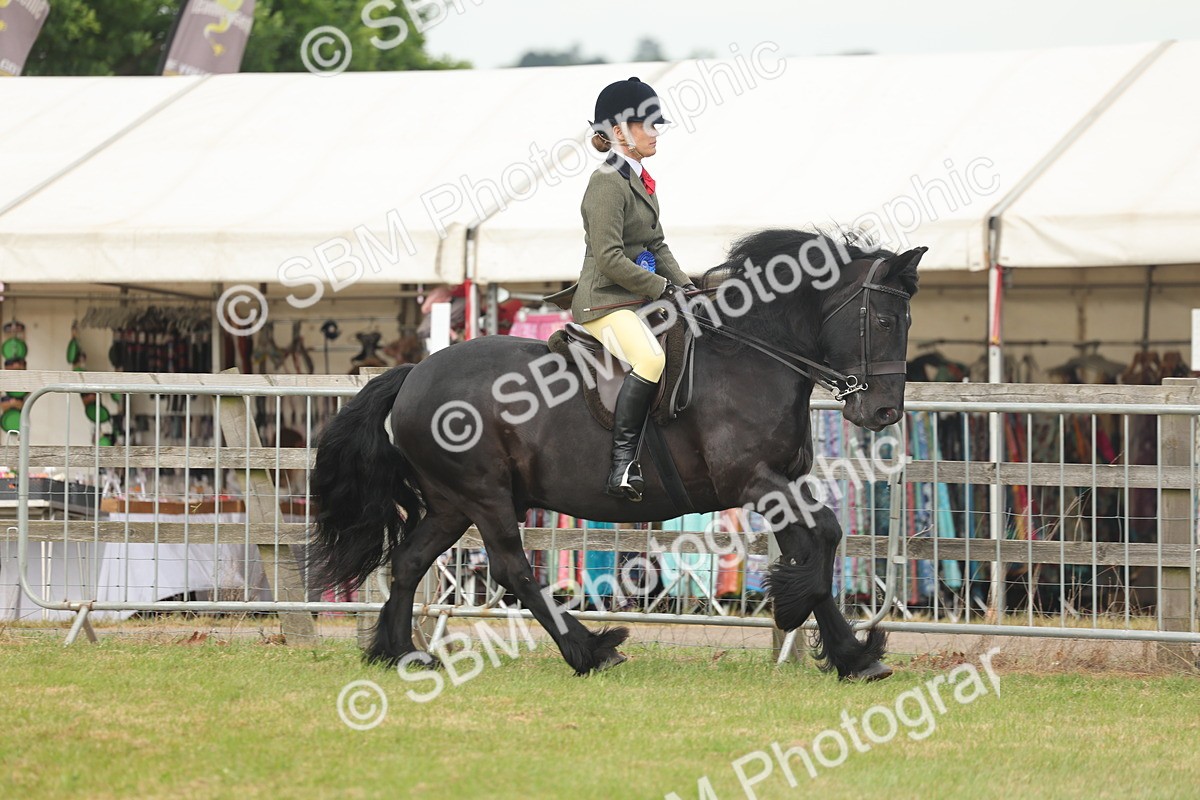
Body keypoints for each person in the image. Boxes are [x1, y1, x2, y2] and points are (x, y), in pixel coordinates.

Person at [550, 77, 696, 501]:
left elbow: (657, 245)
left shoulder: (641, 179)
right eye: (646, 125)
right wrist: (662, 288)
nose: (655, 133)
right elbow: (610, 257)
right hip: (604, 303)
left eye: (656, 125)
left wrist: (688, 289)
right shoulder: (606, 183)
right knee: (650, 359)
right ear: (618, 132)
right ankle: (622, 465)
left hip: (635, 298)